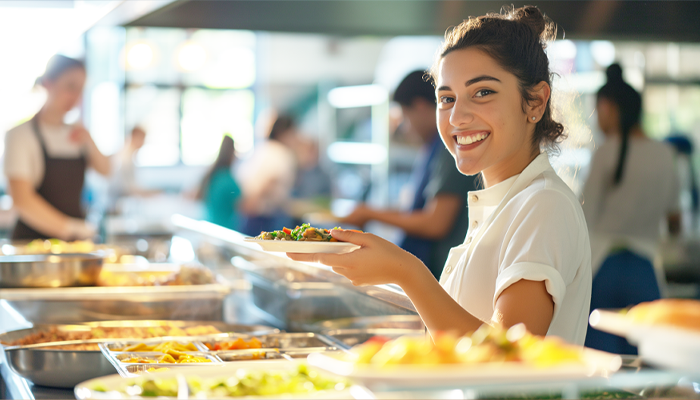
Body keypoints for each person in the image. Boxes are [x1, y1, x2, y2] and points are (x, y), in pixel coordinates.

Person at [288, 6, 591, 345]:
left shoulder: (543, 204)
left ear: (535, 102)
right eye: (446, 98)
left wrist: (406, 272)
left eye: (483, 92)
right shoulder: (504, 205)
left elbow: (507, 357)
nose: (457, 117)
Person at [342, 70, 479, 279]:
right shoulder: (432, 149)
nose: (406, 128)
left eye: (405, 117)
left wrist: (371, 214)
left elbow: (435, 223)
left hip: (447, 272)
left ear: (421, 106)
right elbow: (419, 208)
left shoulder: (449, 149)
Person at [582, 64, 680, 353]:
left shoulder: (605, 152)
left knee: (600, 365)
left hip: (602, 268)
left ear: (610, 108)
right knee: (646, 363)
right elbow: (675, 221)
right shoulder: (665, 154)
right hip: (646, 270)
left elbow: (582, 217)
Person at [4, 55, 110, 240]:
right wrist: (72, 228)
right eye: (70, 87)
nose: (76, 97)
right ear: (48, 83)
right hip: (32, 246)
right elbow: (21, 200)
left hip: (74, 246)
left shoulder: (77, 134)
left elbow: (105, 170)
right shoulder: (19, 135)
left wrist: (90, 141)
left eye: (80, 89)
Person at [236, 115, 297, 236]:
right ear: (285, 132)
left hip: (250, 212)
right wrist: (253, 202)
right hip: (262, 214)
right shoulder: (281, 152)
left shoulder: (261, 147)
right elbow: (270, 181)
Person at [108, 126, 159, 211]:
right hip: (116, 205)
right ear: (134, 137)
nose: (143, 142)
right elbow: (130, 189)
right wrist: (151, 193)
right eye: (142, 138)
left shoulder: (128, 155)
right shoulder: (125, 158)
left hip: (120, 202)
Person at [197, 136, 242, 231]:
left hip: (209, 228)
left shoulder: (212, 176)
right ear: (231, 153)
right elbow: (246, 206)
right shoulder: (227, 180)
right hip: (225, 231)